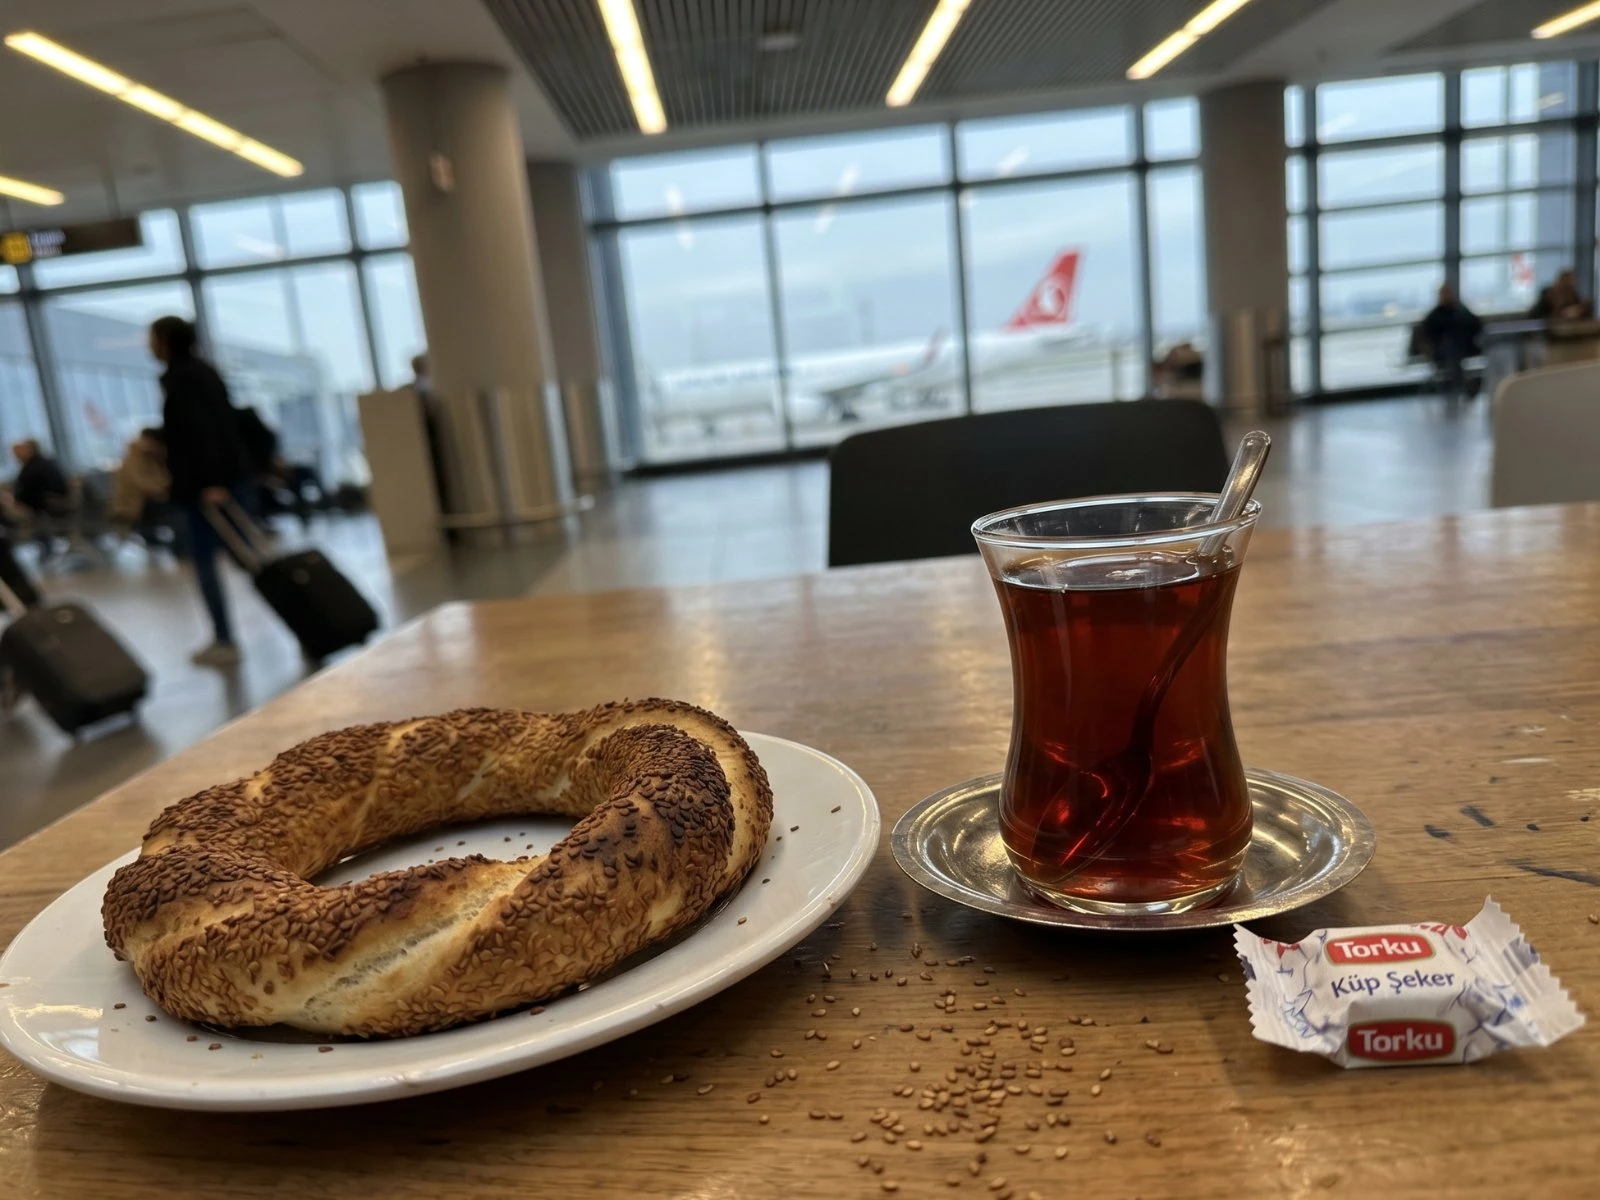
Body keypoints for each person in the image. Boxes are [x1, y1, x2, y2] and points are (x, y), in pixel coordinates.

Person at [150, 315, 253, 667]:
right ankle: (304, 621)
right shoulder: (199, 373)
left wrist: (212, 482)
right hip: (216, 481)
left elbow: (203, 431)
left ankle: (224, 638)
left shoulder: (184, 378)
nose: (149, 346)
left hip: (207, 488)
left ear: (165, 340)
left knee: (213, 562)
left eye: (152, 338)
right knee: (247, 557)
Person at [1420, 284, 1483, 405]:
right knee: (1451, 348)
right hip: (1445, 350)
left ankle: (1462, 385)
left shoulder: (1460, 311)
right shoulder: (1435, 315)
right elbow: (1430, 335)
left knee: (1454, 349)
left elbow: (1477, 325)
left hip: (1464, 346)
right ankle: (1463, 385)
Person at [109, 428, 171, 529]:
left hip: (144, 504)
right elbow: (142, 484)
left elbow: (161, 479)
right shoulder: (134, 459)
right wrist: (164, 488)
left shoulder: (149, 458)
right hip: (133, 506)